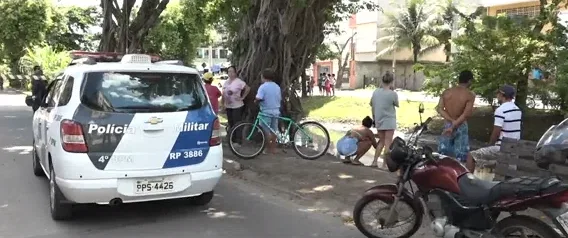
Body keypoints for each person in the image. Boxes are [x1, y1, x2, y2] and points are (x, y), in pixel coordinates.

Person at [470, 85, 522, 169]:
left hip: (502, 147)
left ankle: (469, 181)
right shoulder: (517, 110)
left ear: (502, 95)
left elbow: (496, 132)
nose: (497, 95)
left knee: (471, 156)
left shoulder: (501, 110)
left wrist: (489, 145)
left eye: (498, 93)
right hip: (514, 148)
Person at [436, 70, 476, 172]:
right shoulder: (469, 95)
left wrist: (451, 121)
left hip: (447, 125)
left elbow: (439, 109)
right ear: (469, 81)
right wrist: (455, 123)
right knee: (461, 156)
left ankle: (441, 174)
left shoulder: (447, 92)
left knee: (442, 155)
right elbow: (466, 114)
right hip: (461, 126)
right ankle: (457, 177)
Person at [370, 72, 399, 168]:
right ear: (392, 81)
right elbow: (397, 104)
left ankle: (374, 162)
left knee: (381, 141)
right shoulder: (393, 94)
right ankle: (384, 164)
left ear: (381, 80)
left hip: (378, 119)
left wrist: (374, 117)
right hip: (389, 120)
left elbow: (372, 104)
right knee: (388, 143)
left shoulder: (376, 92)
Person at [255, 68, 282, 154]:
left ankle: (267, 149)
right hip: (276, 111)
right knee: (274, 130)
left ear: (263, 77)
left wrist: (255, 101)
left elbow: (259, 98)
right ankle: (273, 149)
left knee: (265, 131)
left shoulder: (263, 87)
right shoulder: (277, 86)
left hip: (266, 112)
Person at [222, 66, 250, 144]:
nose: (230, 73)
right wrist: (223, 103)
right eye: (229, 72)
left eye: (232, 72)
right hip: (228, 106)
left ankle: (238, 140)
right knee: (231, 123)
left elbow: (248, 88)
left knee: (237, 123)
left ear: (235, 73)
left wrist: (242, 97)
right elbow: (223, 93)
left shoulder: (239, 82)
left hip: (237, 106)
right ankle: (232, 139)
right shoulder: (226, 82)